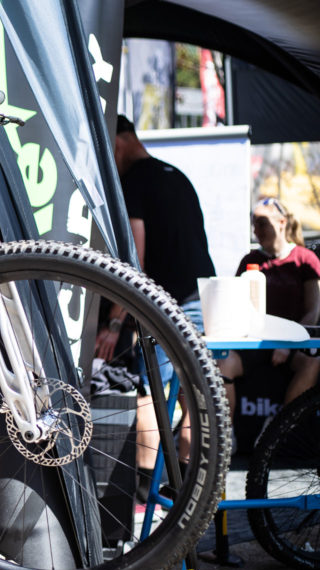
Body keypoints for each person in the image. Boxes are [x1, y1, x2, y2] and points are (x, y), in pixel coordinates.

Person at [94, 115, 216, 501]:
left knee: (150, 393)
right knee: (192, 397)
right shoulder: (177, 176)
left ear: (120, 141)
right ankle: (190, 491)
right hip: (201, 298)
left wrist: (115, 321)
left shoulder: (134, 181)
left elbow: (135, 259)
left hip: (166, 304)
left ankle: (147, 496)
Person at [217, 197, 320, 410]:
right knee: (222, 364)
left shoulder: (305, 259)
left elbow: (313, 311)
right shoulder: (249, 260)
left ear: (282, 223)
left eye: (262, 223)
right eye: (254, 224)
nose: (257, 230)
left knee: (313, 363)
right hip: (255, 342)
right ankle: (226, 429)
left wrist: (288, 343)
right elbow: (236, 305)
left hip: (293, 342)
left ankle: (283, 427)